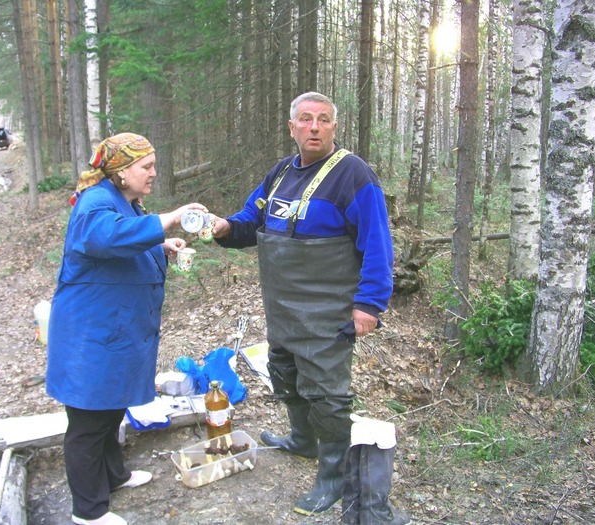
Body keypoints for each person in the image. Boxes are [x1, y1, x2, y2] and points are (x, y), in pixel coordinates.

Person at [212, 92, 397, 516]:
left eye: (324, 120)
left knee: (328, 395)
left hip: (327, 309)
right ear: (292, 127)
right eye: (307, 119)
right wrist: (223, 228)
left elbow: (378, 245)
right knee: (284, 372)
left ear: (334, 127)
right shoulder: (280, 173)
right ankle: (302, 440)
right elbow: (249, 220)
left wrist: (369, 305)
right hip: (283, 308)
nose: (315, 127)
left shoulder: (354, 175)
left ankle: (332, 476)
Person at [46, 133, 207, 525]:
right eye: (146, 167)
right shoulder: (95, 201)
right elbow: (103, 237)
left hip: (113, 332)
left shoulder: (126, 202)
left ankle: (114, 476)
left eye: (154, 165)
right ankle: (87, 511)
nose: (154, 173)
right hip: (91, 334)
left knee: (110, 407)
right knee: (87, 421)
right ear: (120, 171)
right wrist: (167, 218)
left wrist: (161, 245)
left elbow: (124, 243)